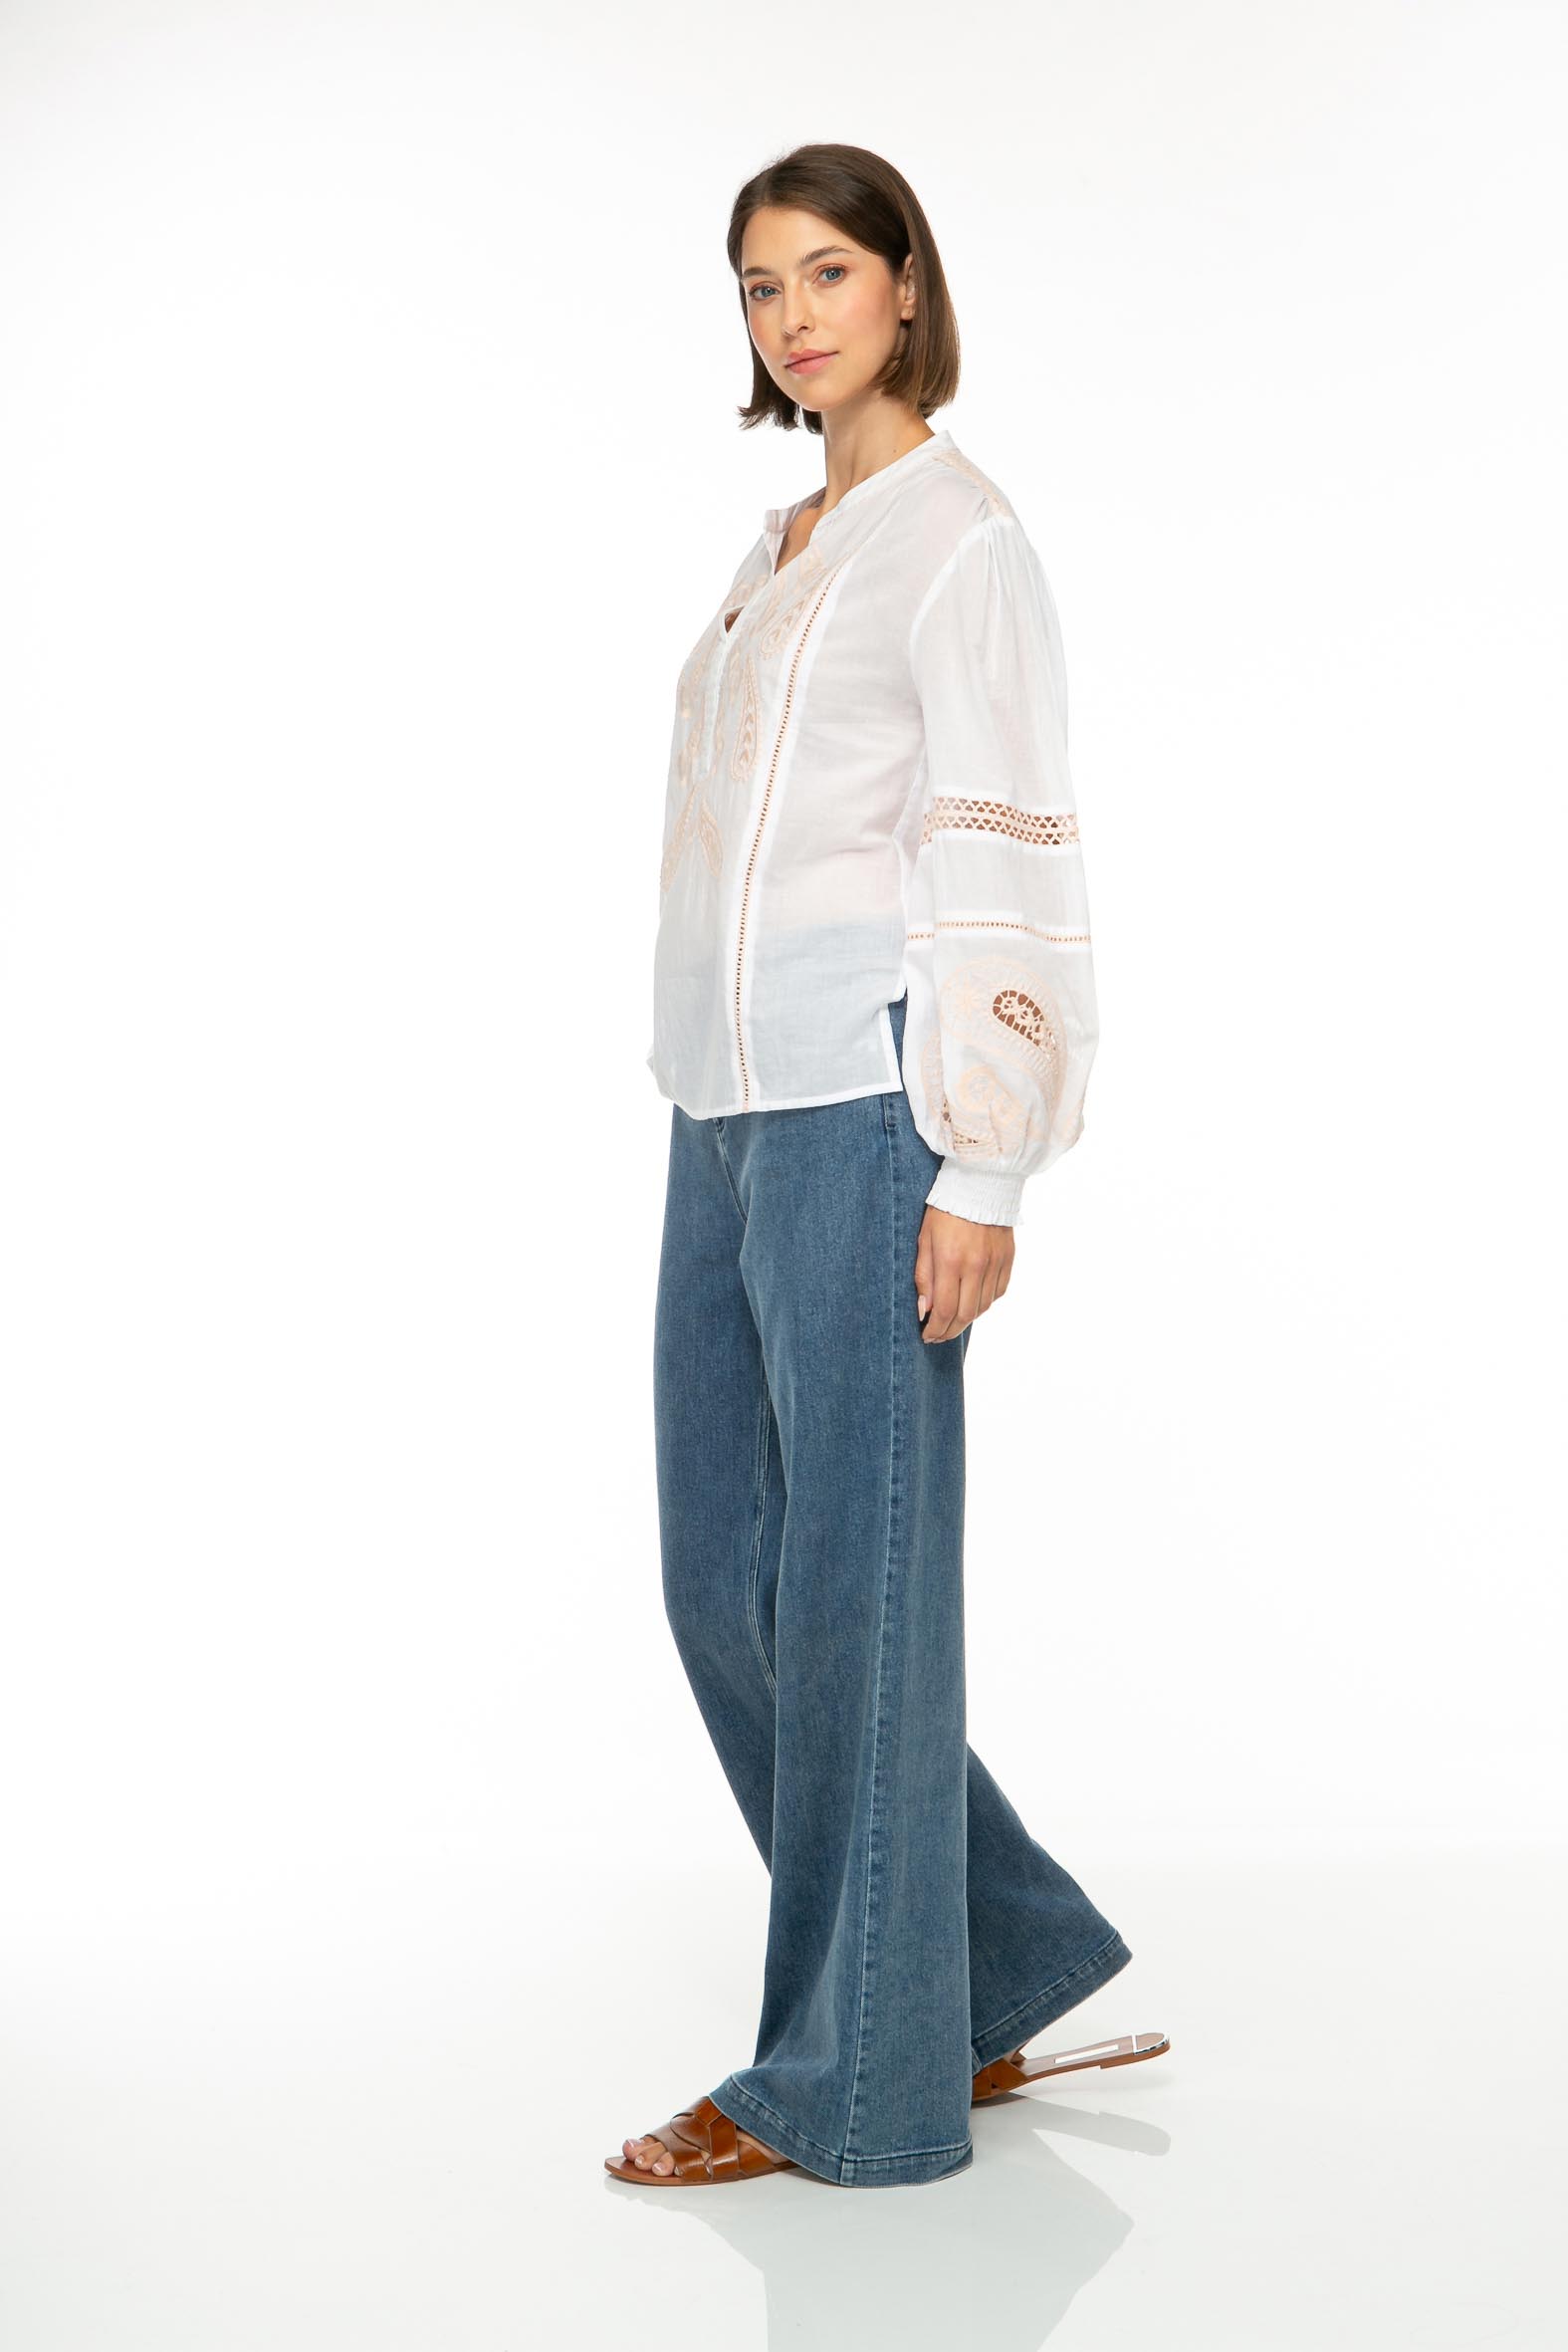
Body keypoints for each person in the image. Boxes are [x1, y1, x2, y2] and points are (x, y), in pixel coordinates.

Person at [606, 142, 1167, 2192]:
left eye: (829, 273)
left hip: (869, 1109)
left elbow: (1007, 847)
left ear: (908, 286)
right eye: (762, 287)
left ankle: (856, 2081)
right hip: (722, 1107)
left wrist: (982, 1169)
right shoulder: (781, 544)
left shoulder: (956, 539)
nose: (795, 317)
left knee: (853, 1594)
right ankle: (986, 1958)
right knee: (727, 1582)